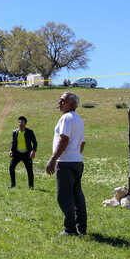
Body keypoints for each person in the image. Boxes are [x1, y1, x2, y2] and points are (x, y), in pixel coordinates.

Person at [46, 92, 87, 236]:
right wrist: (76, 155)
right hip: (77, 161)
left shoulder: (66, 118)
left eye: (62, 100)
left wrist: (53, 159)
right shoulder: (79, 119)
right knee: (77, 195)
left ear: (72, 104)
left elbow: (63, 140)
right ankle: (81, 227)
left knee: (64, 196)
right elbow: (82, 143)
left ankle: (70, 229)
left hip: (65, 162)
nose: (59, 103)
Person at [8, 116, 38, 189]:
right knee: (11, 167)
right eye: (19, 122)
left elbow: (35, 142)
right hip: (17, 153)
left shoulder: (29, 132)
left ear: (25, 123)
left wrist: (33, 150)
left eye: (22, 122)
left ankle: (31, 186)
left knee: (29, 170)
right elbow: (13, 142)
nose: (20, 124)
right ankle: (13, 184)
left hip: (26, 154)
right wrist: (11, 150)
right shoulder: (15, 132)